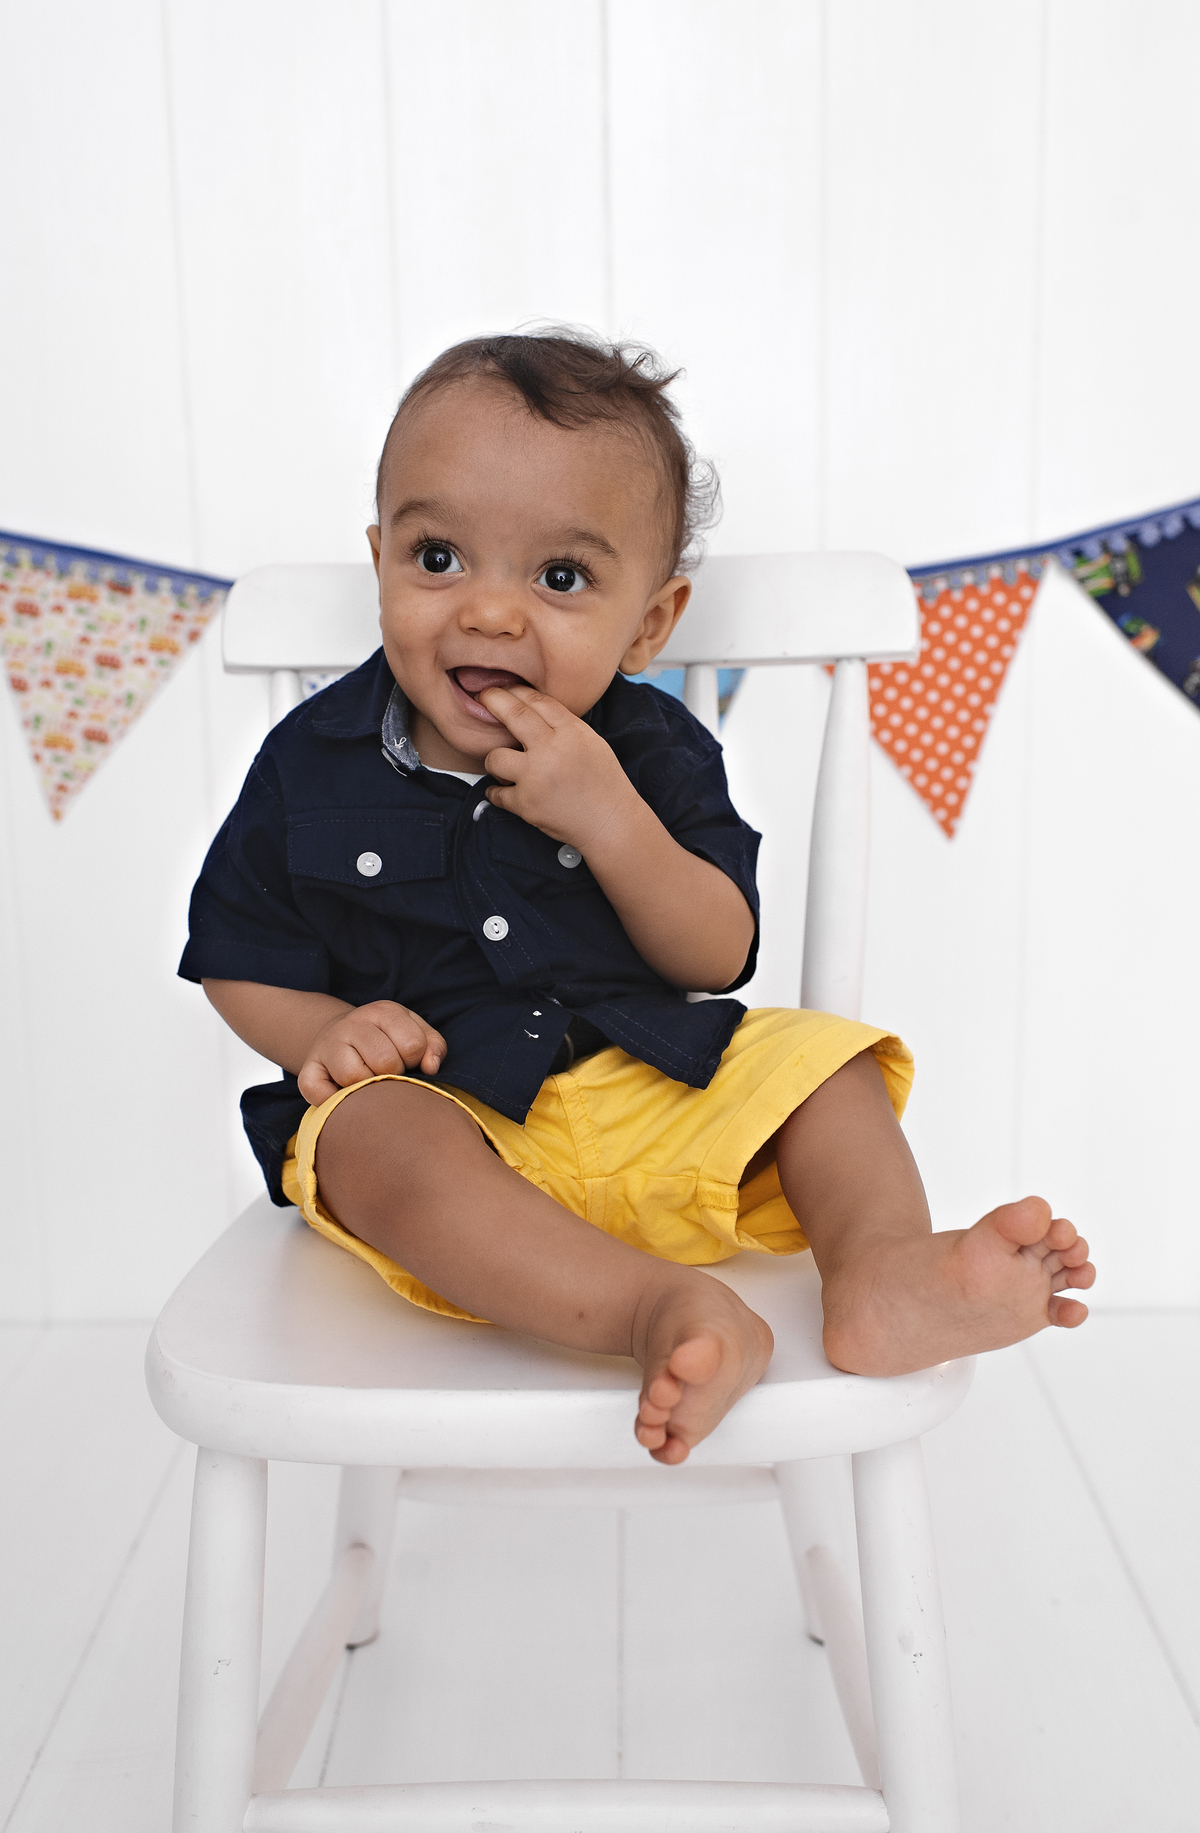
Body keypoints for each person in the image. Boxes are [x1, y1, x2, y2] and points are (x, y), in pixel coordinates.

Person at [181, 330, 1094, 1465]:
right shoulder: (310, 760)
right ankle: (654, 1309)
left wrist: (611, 819)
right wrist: (326, 1031)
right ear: (379, 561)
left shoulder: (656, 750)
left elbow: (716, 953)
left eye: (560, 578)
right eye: (438, 557)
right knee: (366, 1139)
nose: (490, 613)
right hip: (453, 1118)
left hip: (656, 1089)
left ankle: (879, 1273)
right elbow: (239, 953)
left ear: (651, 623)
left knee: (826, 1063)